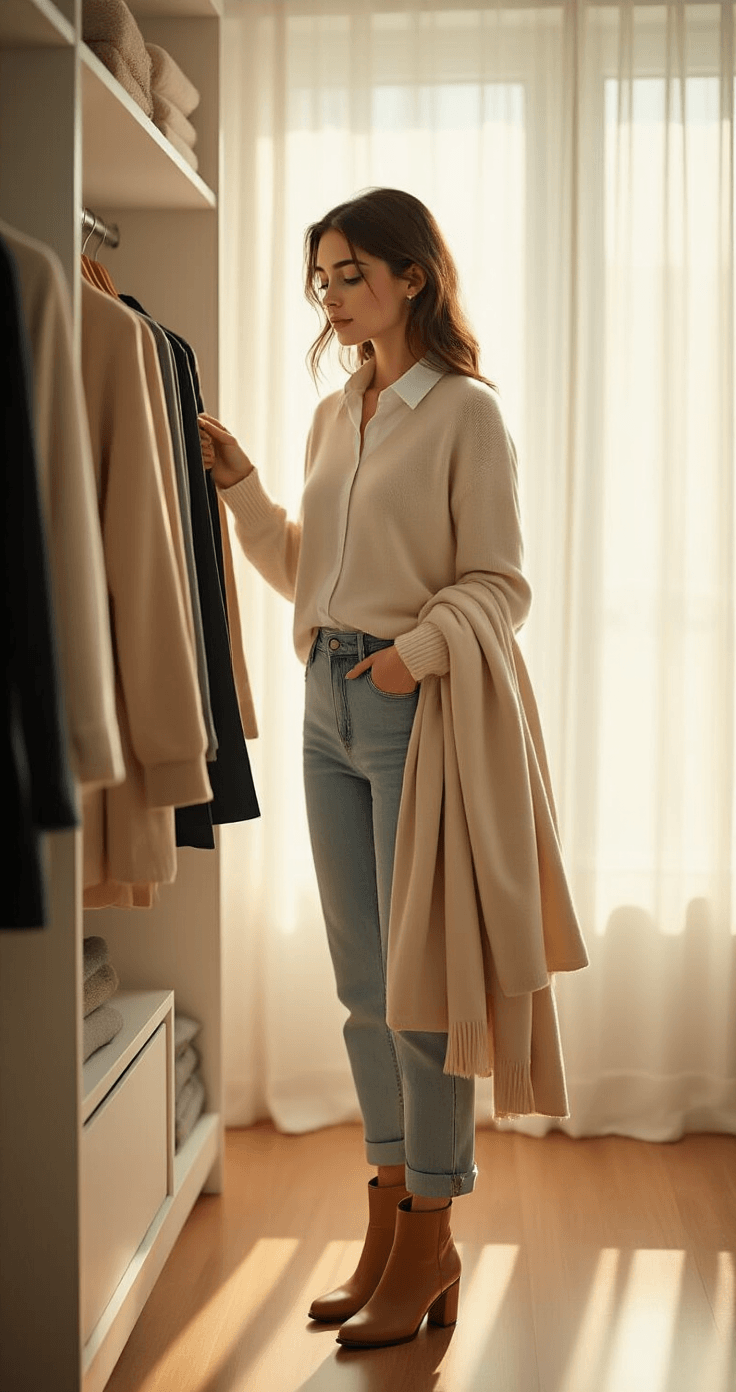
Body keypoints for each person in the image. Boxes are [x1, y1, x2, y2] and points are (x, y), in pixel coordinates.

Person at [198, 187, 587, 1350]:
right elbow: (305, 570)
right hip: (325, 699)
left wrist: (411, 661)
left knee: (420, 996)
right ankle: (389, 1228)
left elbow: (502, 584)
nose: (331, 293)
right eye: (319, 276)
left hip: (406, 708)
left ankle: (432, 1229)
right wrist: (241, 488)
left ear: (412, 275)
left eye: (349, 271)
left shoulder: (465, 414)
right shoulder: (334, 414)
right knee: (362, 991)